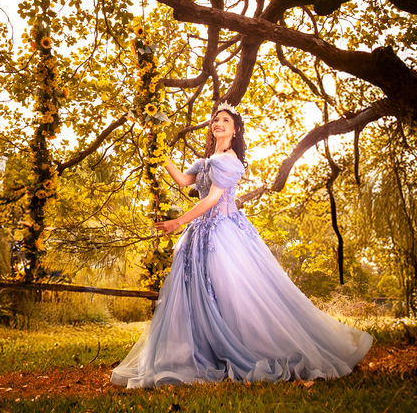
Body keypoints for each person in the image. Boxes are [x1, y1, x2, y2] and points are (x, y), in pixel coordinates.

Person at [111, 103, 374, 388]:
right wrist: (162, 156)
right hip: (200, 235)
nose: (218, 122)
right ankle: (206, 350)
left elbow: (211, 200)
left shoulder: (230, 161)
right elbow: (184, 181)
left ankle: (244, 346)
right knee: (200, 294)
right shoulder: (208, 159)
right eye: (215, 119)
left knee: (230, 292)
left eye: (225, 120)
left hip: (224, 234)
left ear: (235, 130)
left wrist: (178, 222)